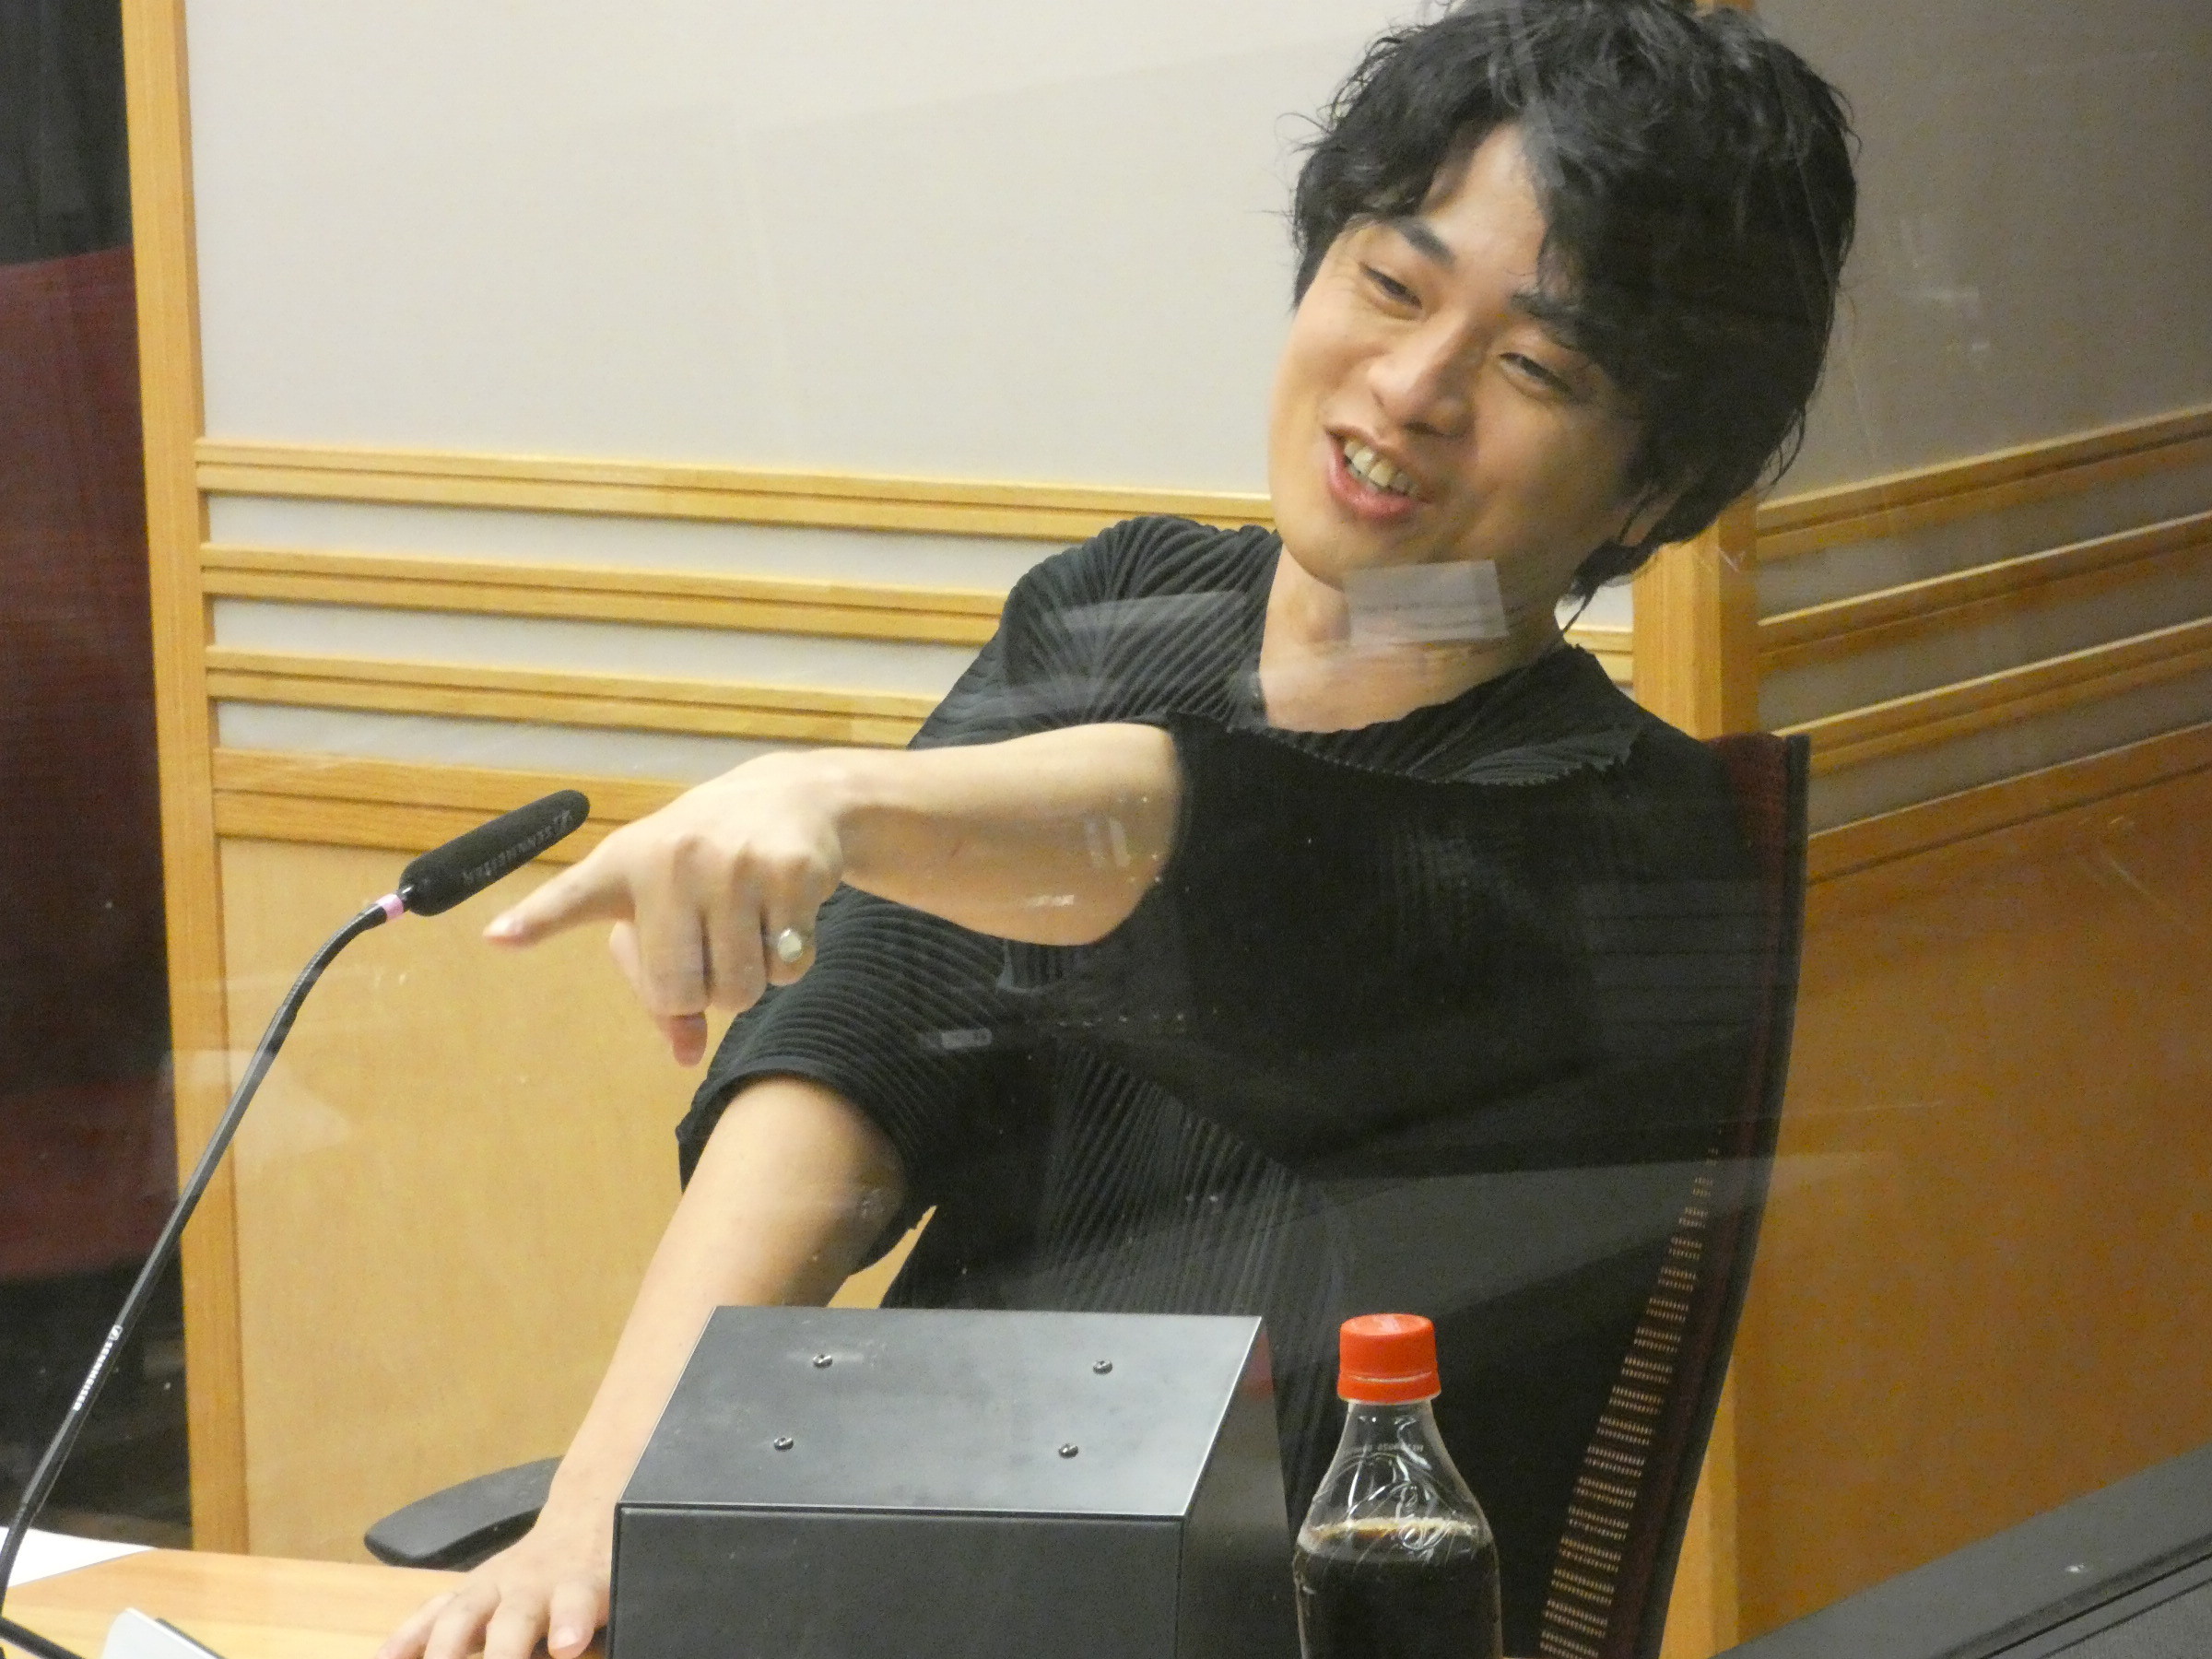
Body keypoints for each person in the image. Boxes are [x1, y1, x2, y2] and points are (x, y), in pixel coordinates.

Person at [381, 5, 1853, 1656]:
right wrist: (605, 1513)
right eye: (1390, 284)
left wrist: (842, 798)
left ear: (1653, 487)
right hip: (909, 1599)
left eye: (1534, 368)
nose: (1411, 389)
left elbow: (1252, 863)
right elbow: (849, 1067)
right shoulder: (1118, 606)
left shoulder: (1641, 847)